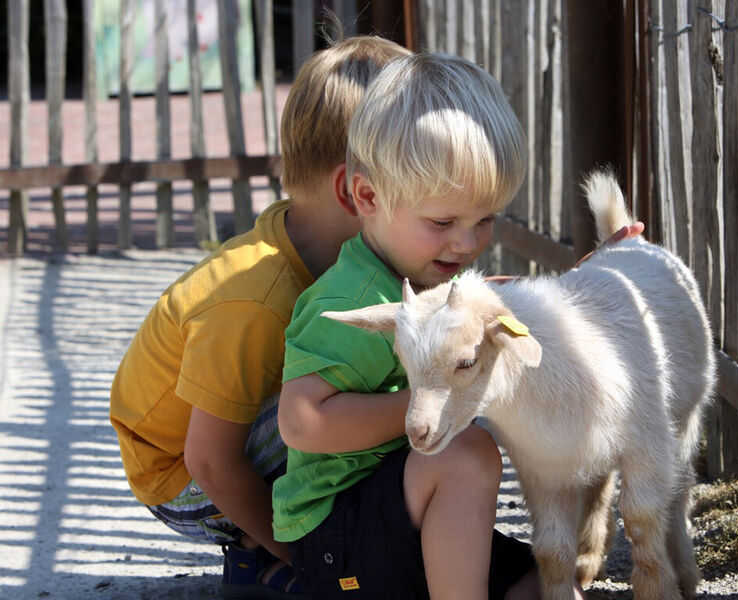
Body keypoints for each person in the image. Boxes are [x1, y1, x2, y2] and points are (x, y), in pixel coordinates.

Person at [109, 35, 413, 600]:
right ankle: (284, 551)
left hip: (220, 448)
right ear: (355, 192)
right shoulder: (256, 299)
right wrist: (301, 555)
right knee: (356, 391)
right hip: (181, 477)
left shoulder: (325, 246)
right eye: (421, 183)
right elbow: (209, 459)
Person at [274, 51, 580, 600]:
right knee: (468, 456)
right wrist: (438, 399)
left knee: (550, 585)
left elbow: (511, 306)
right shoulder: (358, 297)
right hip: (337, 539)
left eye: (484, 219)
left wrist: (586, 283)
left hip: (402, 516)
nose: (466, 242)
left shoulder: (437, 287)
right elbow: (300, 423)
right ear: (367, 196)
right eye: (443, 222)